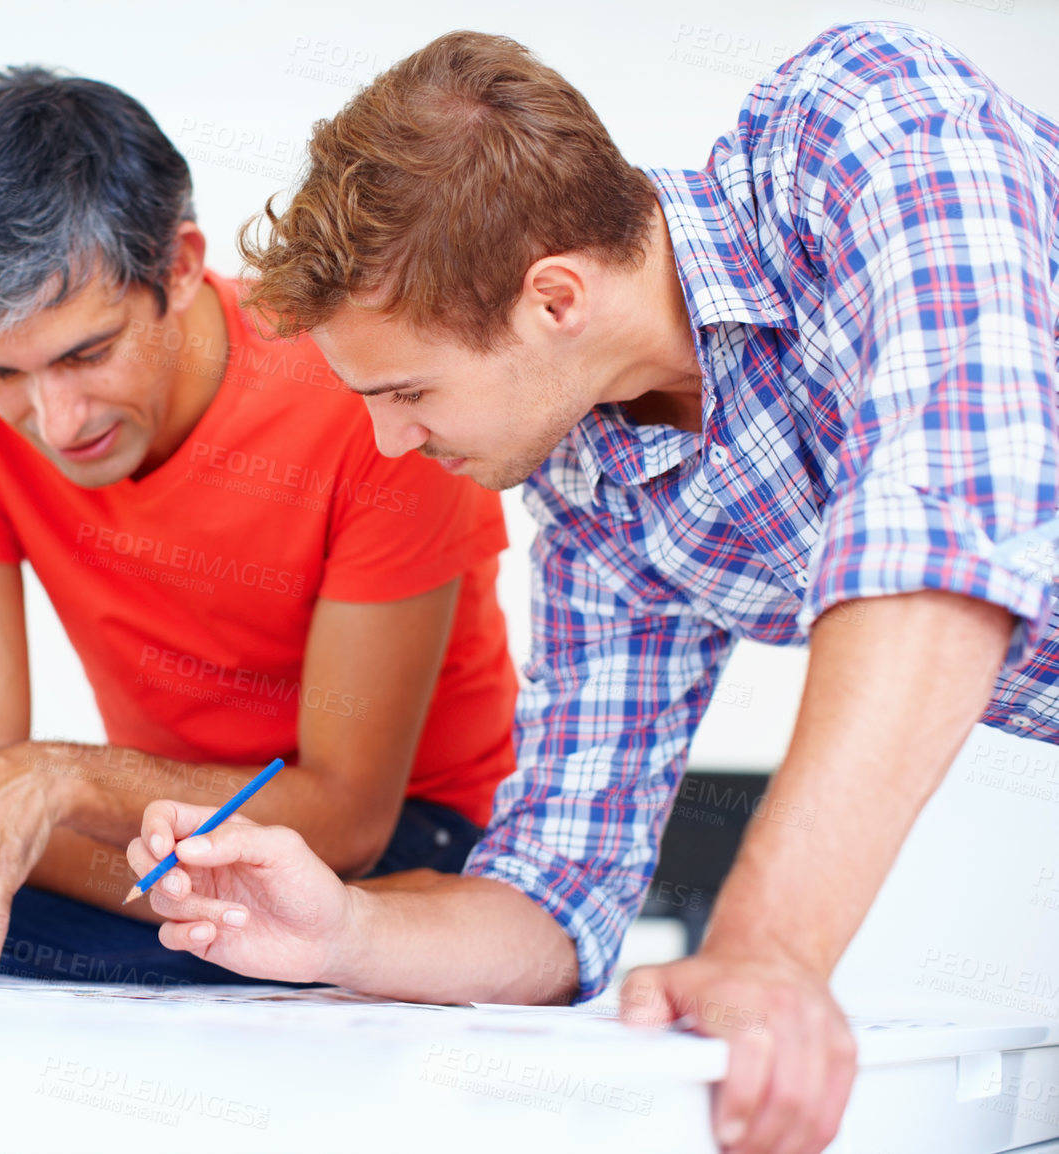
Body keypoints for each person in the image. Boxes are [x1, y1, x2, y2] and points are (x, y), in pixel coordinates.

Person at [126, 22, 1059, 1154]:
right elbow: (559, 889)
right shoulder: (595, 488)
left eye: (407, 388)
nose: (383, 442)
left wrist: (765, 943)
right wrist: (343, 931)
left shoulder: (866, 123)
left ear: (555, 300)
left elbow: (944, 520)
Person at [0, 66, 522, 992]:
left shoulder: (366, 393)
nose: (58, 419)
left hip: (410, 841)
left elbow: (347, 815)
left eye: (89, 352)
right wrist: (38, 825)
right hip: (158, 833)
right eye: (3, 372)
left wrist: (58, 786)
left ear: (183, 264)